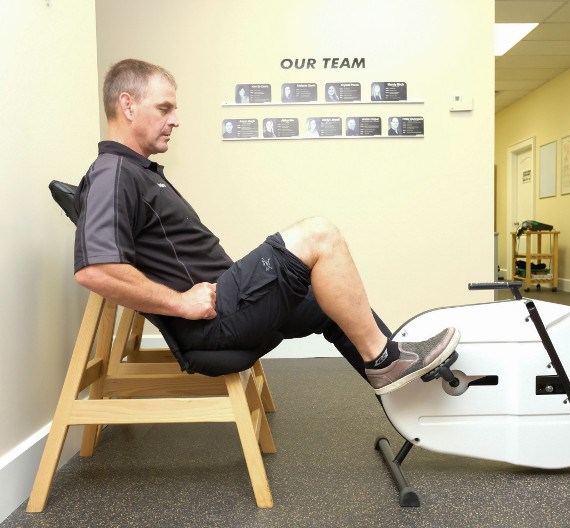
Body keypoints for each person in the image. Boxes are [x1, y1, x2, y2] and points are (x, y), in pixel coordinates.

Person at [73, 59, 459, 396]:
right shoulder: (113, 173)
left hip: (225, 301)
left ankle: (403, 394)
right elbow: (96, 270)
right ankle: (386, 360)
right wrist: (179, 303)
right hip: (213, 319)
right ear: (127, 104)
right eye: (164, 107)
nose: (175, 119)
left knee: (332, 296)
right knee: (318, 233)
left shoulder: (138, 172)